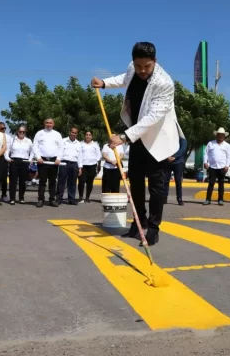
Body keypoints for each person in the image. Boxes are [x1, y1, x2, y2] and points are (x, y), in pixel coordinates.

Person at [92, 42, 184, 246]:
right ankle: (138, 222)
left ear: (155, 62)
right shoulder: (132, 68)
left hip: (157, 140)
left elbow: (152, 118)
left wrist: (123, 136)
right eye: (138, 65)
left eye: (147, 66)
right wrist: (104, 83)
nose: (142, 70)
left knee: (157, 188)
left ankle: (153, 228)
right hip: (137, 139)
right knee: (135, 184)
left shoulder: (165, 83)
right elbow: (124, 79)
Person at [32, 118, 63, 208]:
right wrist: (38, 157)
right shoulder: (39, 133)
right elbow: (35, 146)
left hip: (54, 161)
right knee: (42, 181)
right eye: (47, 123)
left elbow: (61, 147)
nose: (48, 124)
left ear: (53, 124)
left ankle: (52, 199)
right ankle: (41, 199)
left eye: (50, 123)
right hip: (42, 160)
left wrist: (58, 158)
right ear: (44, 124)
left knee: (53, 181)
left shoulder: (57, 134)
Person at [203, 128, 230, 206]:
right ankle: (208, 199)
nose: (220, 136)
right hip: (212, 167)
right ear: (216, 135)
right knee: (211, 183)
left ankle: (220, 200)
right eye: (219, 135)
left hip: (222, 167)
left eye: (222, 135)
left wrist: (227, 166)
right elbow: (206, 153)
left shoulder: (227, 146)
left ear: (224, 136)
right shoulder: (210, 144)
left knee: (221, 184)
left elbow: (229, 156)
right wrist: (205, 162)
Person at [7, 124, 33, 204]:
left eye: (23, 131)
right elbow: (7, 150)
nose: (21, 133)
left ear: (25, 132)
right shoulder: (12, 140)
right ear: (17, 132)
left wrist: (30, 159)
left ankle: (21, 198)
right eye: (20, 131)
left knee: (22, 181)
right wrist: (8, 158)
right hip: (14, 161)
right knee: (13, 181)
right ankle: (12, 198)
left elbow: (32, 151)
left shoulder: (28, 141)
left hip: (24, 162)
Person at [56, 127, 82, 205]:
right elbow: (59, 152)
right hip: (64, 163)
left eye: (75, 133)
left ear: (77, 134)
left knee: (72, 182)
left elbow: (80, 156)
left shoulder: (79, 144)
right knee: (61, 182)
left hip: (74, 164)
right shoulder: (63, 141)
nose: (73, 134)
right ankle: (59, 199)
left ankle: (71, 199)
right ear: (69, 132)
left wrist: (80, 167)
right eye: (72, 132)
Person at [78, 130, 101, 203]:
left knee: (90, 183)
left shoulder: (95, 144)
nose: (88, 136)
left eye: (89, 135)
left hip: (92, 166)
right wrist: (79, 166)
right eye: (86, 134)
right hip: (83, 166)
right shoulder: (80, 144)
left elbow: (99, 156)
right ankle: (80, 197)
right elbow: (79, 155)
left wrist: (98, 165)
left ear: (92, 136)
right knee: (81, 182)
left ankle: (87, 197)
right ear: (84, 136)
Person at [164, 136, 187, 206]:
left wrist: (174, 156)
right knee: (165, 180)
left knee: (178, 181)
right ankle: (164, 198)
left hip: (178, 162)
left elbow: (182, 149)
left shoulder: (182, 138)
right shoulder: (167, 137)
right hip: (168, 161)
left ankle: (179, 199)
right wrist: (167, 157)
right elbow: (163, 147)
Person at [0, 122, 12, 202]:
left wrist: (8, 157)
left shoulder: (9, 137)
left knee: (4, 178)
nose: (3, 130)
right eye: (1, 128)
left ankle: (4, 195)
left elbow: (10, 148)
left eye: (4, 128)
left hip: (4, 159)